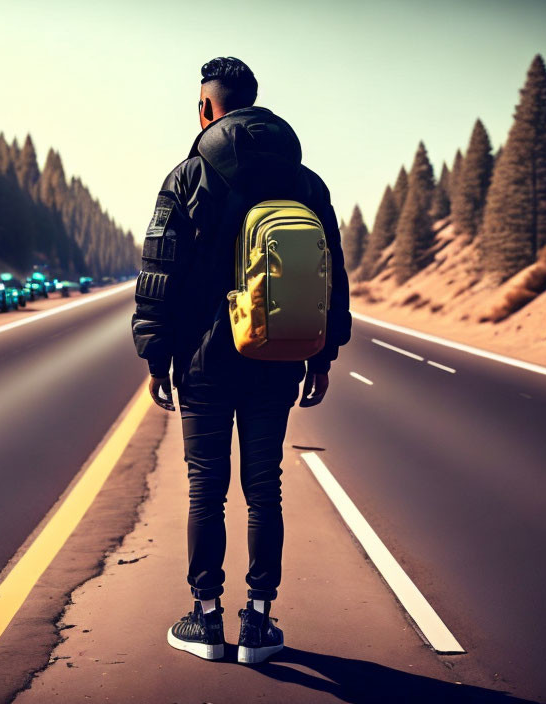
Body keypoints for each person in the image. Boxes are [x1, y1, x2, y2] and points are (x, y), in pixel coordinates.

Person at [131, 56, 351, 664]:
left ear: (207, 107)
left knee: (207, 489)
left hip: (204, 359)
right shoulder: (306, 183)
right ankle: (259, 622)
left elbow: (160, 274)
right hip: (278, 355)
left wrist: (156, 358)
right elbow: (331, 274)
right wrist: (323, 354)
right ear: (254, 104)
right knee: (265, 488)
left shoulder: (187, 177)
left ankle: (205, 620)